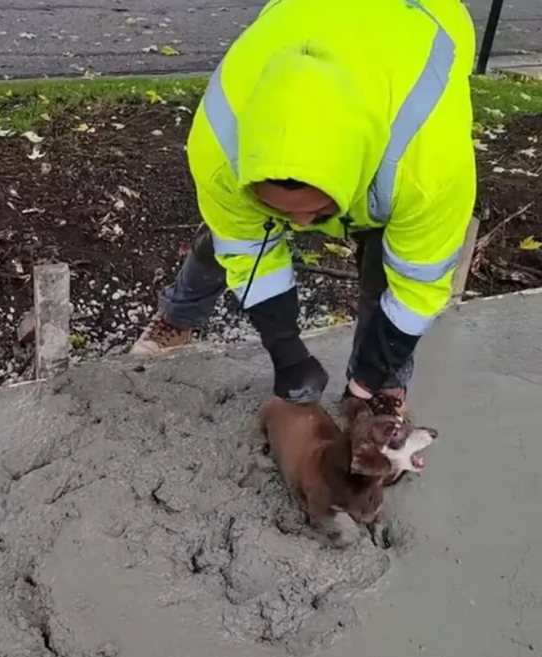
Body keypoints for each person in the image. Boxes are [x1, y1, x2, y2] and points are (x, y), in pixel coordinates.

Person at [130, 0, 476, 412]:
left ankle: (382, 391)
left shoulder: (426, 167)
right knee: (223, 240)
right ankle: (178, 317)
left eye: (315, 211)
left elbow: (417, 287)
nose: (300, 225)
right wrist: (286, 352)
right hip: (304, 18)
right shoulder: (219, 146)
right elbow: (243, 245)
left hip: (420, 23)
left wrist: (368, 377)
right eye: (280, 208)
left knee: (385, 266)